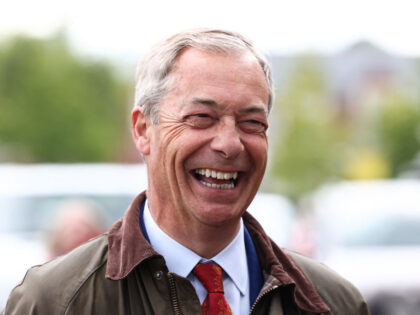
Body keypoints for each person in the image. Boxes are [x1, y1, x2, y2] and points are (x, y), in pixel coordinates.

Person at [2, 29, 369, 315]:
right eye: (201, 118)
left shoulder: (330, 302)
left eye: (252, 122)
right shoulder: (56, 302)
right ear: (144, 130)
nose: (229, 143)